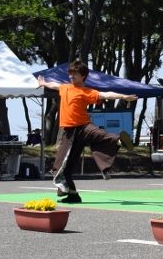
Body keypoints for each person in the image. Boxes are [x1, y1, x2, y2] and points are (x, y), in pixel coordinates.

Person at [37, 60, 137, 203]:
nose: (71, 77)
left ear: (83, 76)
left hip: (83, 127)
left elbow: (106, 94)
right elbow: (53, 84)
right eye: (70, 74)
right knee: (64, 167)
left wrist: (122, 97)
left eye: (75, 74)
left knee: (99, 134)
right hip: (68, 132)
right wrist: (44, 83)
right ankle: (73, 195)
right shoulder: (64, 88)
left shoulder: (87, 92)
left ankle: (119, 140)